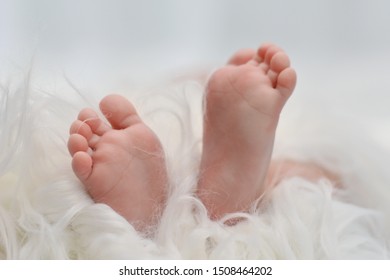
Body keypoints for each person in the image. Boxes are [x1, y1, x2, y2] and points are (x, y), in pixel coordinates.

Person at [67, 43, 337, 233]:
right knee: (317, 175)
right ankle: (254, 186)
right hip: (179, 117)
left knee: (171, 101)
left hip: (161, 113)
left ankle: (149, 216)